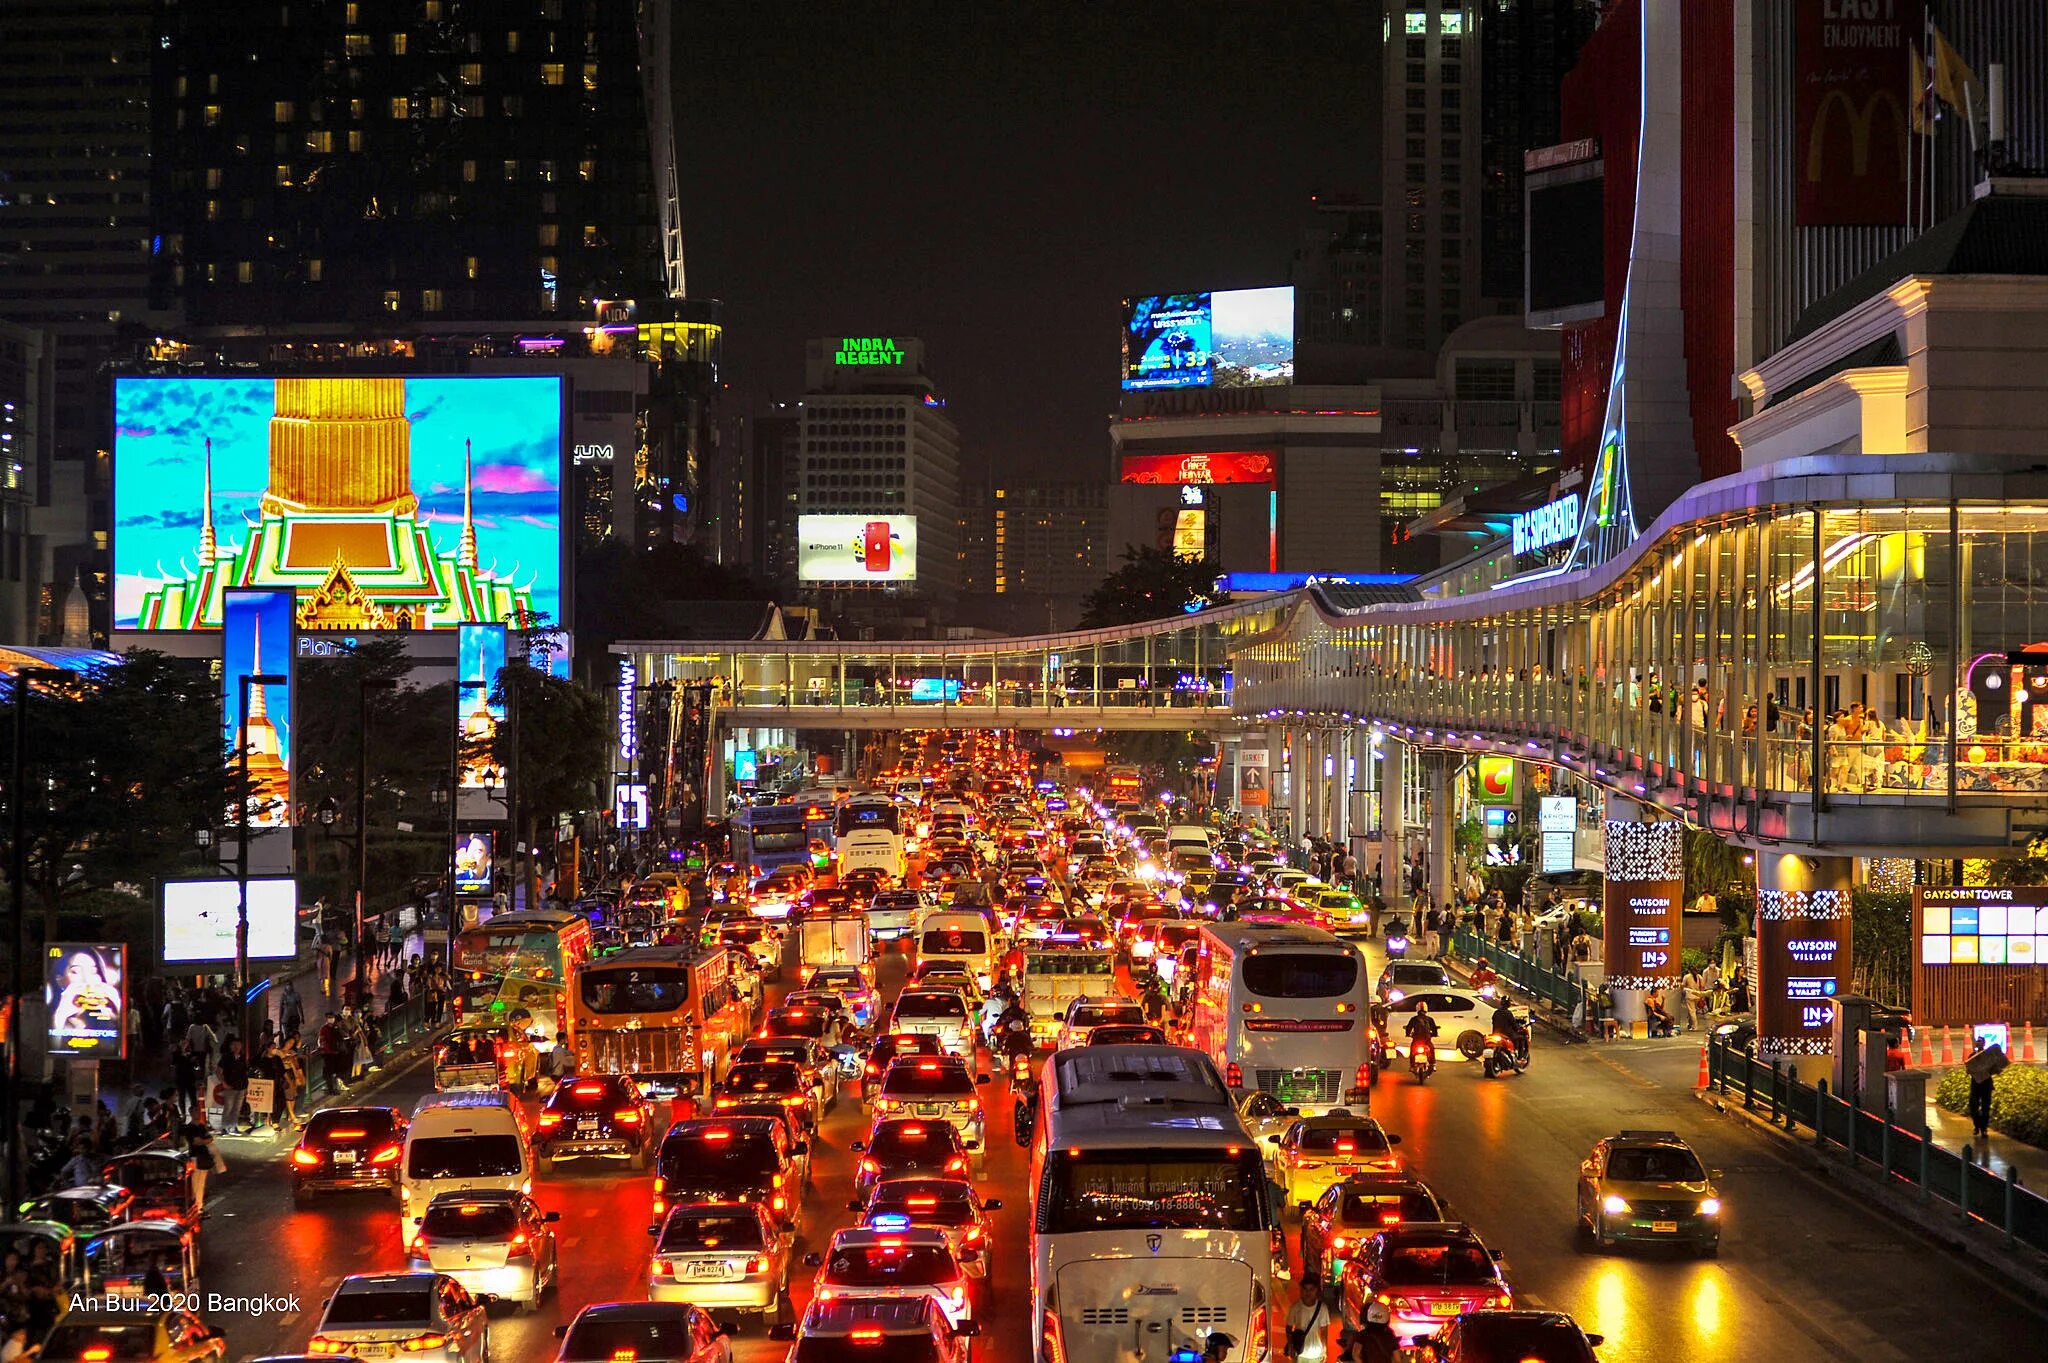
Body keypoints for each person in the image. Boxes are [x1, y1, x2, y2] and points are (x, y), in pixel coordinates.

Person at [1285, 1276, 1331, 1363]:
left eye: (1311, 1289)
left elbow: (1324, 1331)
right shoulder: (1295, 1308)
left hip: (1316, 1354)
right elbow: (1288, 1328)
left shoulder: (1322, 1308)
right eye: (1305, 1289)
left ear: (1316, 1290)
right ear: (1301, 1290)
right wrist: (1291, 1346)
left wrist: (1324, 1350)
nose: (1308, 1292)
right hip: (1299, 1353)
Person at [218, 1038, 251, 1133]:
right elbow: (218, 1071)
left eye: (238, 1045)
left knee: (237, 1108)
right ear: (231, 1046)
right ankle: (224, 1127)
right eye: (234, 1045)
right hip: (230, 1086)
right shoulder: (226, 1057)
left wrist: (246, 1087)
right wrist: (224, 1083)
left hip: (241, 1086)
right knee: (228, 1107)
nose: (237, 1047)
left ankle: (233, 1126)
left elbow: (245, 1073)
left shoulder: (243, 1057)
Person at [186, 1126, 221, 1214]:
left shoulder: (201, 1127)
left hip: (203, 1157)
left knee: (201, 1184)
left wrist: (202, 1141)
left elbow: (209, 1138)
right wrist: (205, 1141)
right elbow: (196, 1142)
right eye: (194, 1111)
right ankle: (195, 1206)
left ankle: (199, 1206)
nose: (196, 1114)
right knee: (195, 1184)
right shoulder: (190, 1128)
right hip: (195, 1157)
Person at [1489, 997, 1528, 1062]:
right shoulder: (1508, 1013)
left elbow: (1493, 1022)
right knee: (1522, 1038)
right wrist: (1518, 1028)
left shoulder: (1496, 1012)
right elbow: (1514, 1025)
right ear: (1508, 1004)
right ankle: (1520, 1058)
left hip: (1496, 1033)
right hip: (1507, 1034)